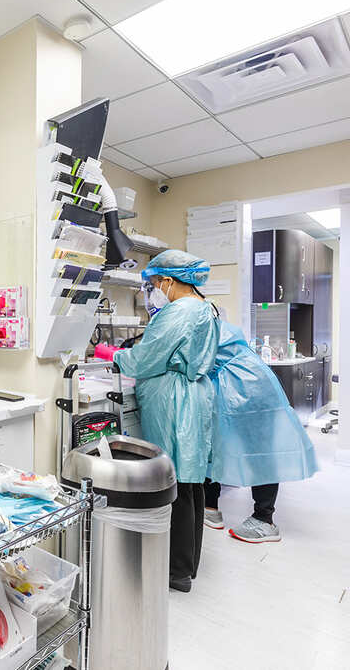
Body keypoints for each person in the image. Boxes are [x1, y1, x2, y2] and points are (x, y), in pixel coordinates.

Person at [113, 250, 220, 593]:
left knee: (175, 484)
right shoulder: (206, 307)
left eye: (153, 284)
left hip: (176, 402)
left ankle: (174, 571)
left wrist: (115, 356)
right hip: (193, 397)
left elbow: (147, 358)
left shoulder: (178, 312)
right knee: (191, 482)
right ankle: (186, 567)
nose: (152, 291)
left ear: (169, 282)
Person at [204, 321, 319, 543]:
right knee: (213, 445)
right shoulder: (217, 325)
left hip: (248, 390)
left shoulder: (197, 326)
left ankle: (264, 520)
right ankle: (210, 508)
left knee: (259, 453)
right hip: (246, 382)